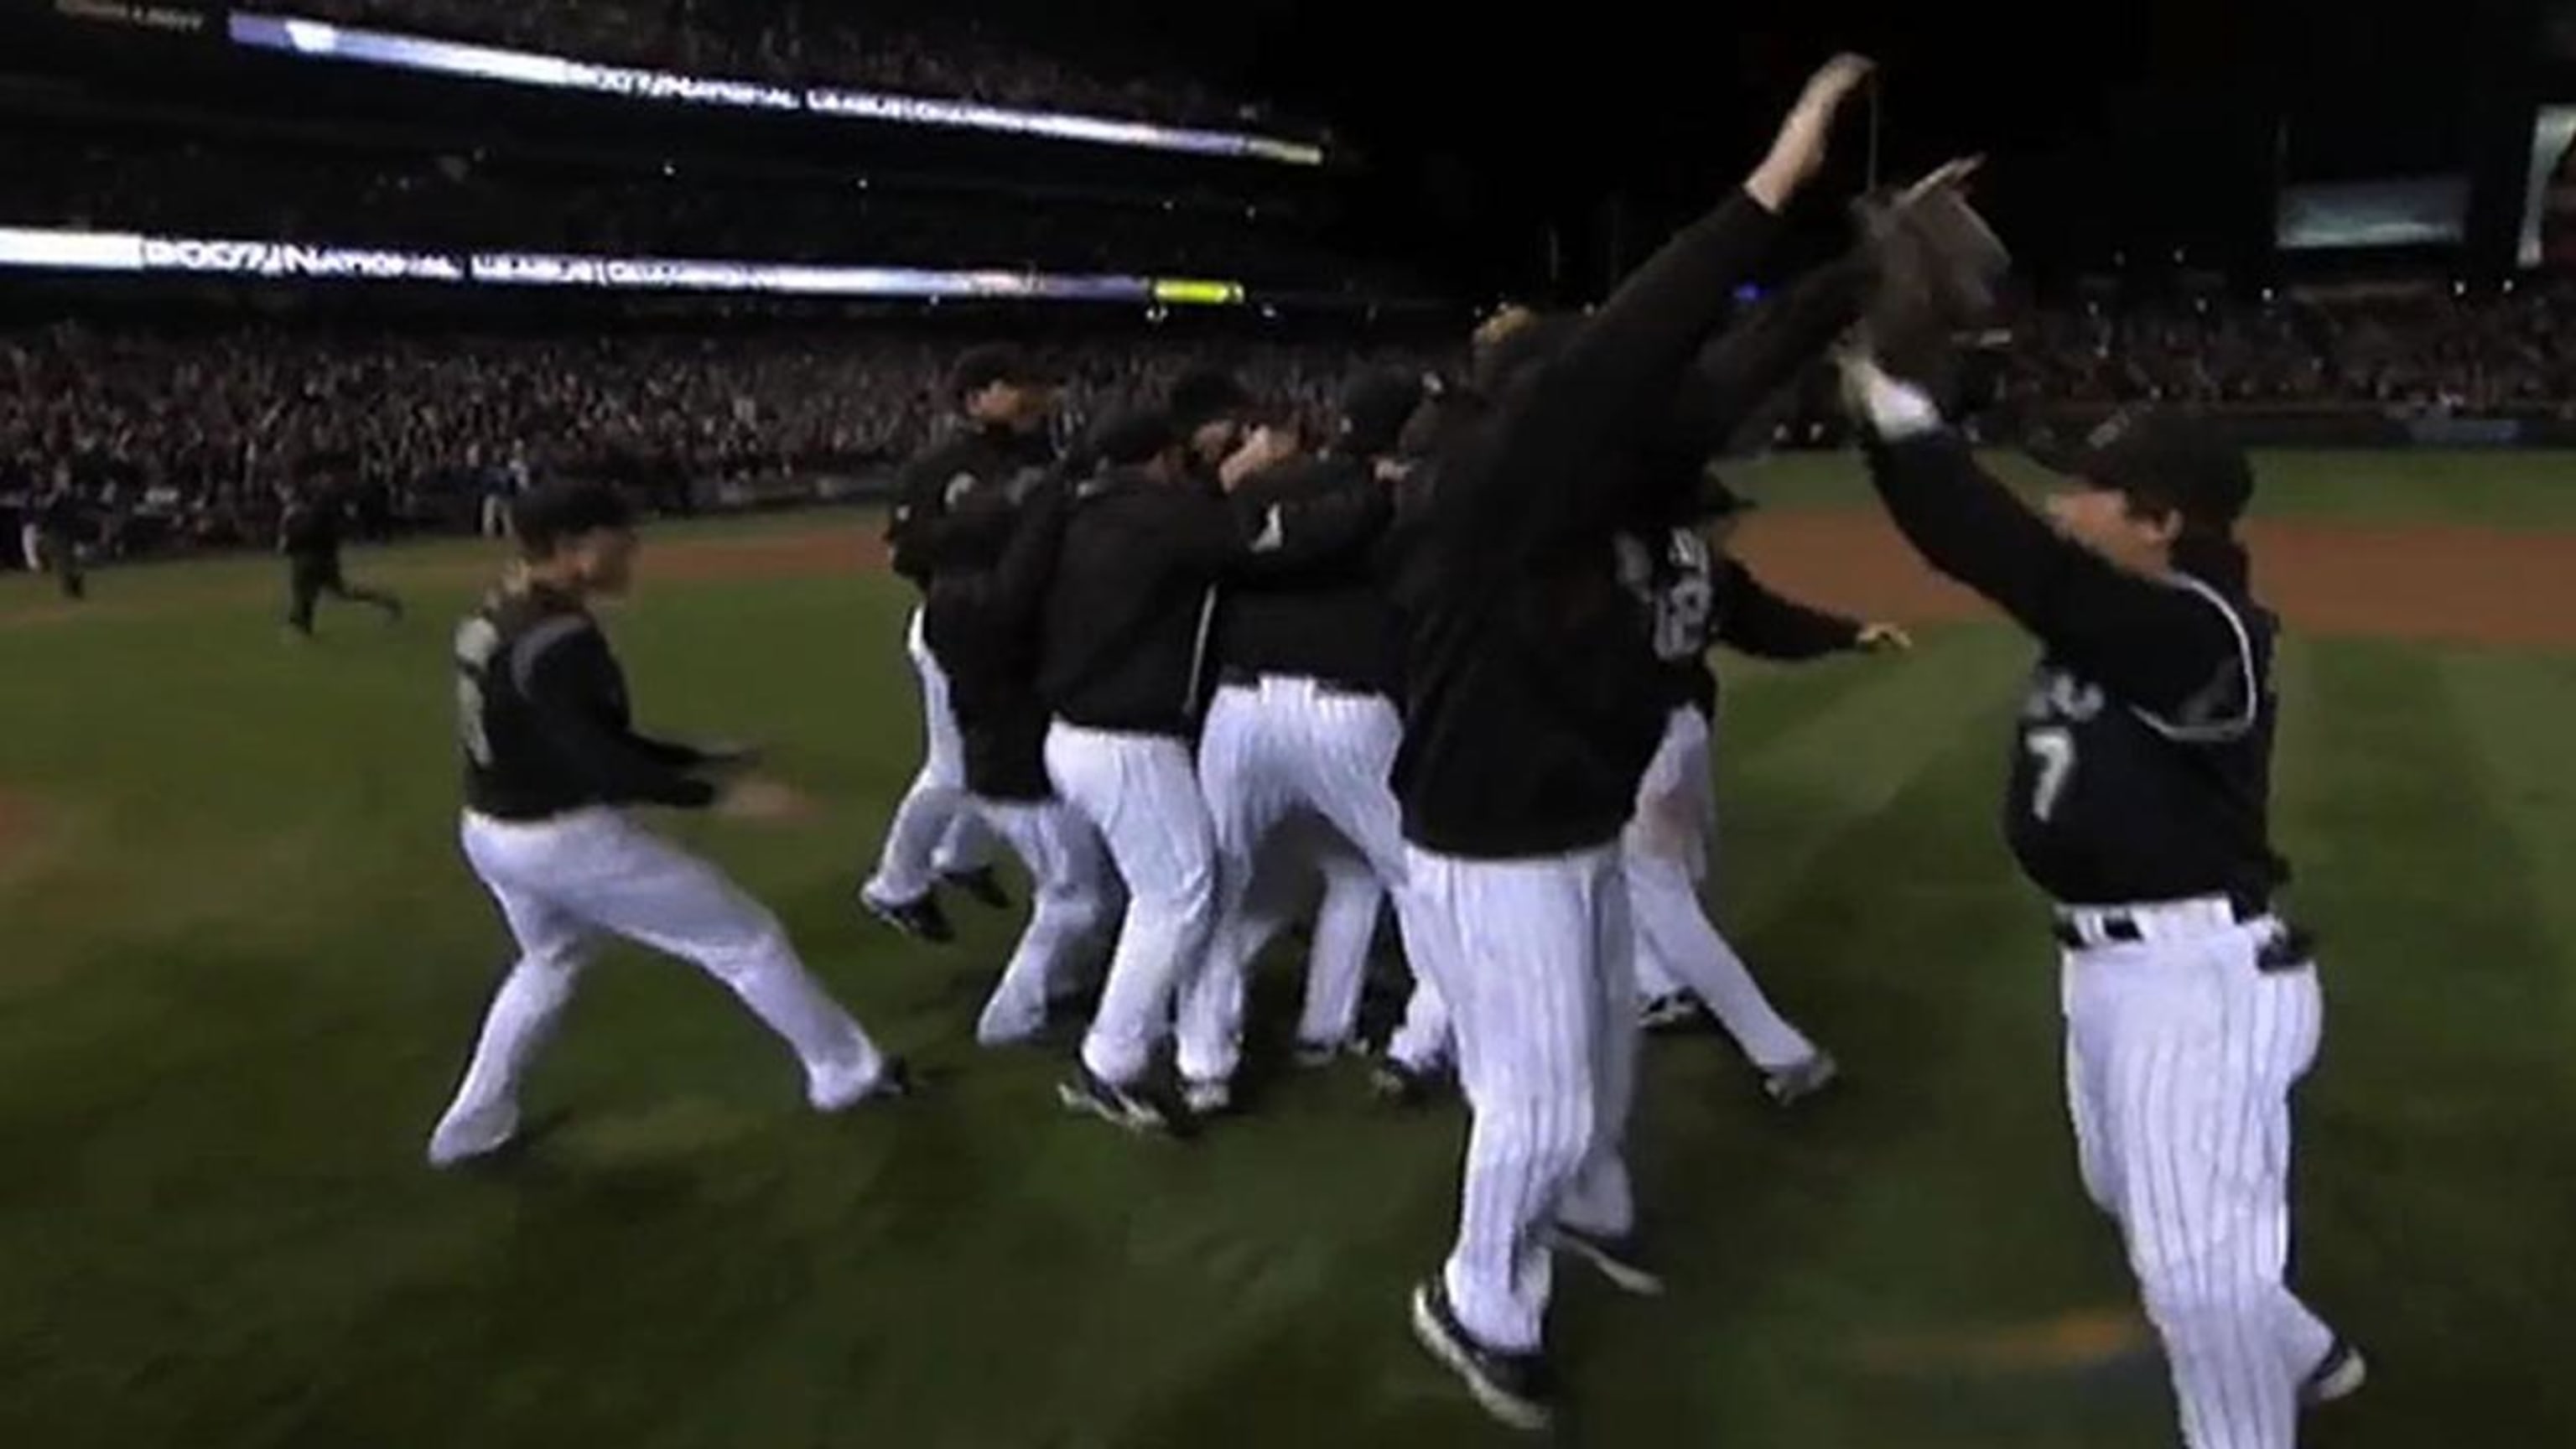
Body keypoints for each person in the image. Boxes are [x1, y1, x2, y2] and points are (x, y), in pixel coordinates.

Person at [1386, 55, 1874, 1431]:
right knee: (1536, 1102)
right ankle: (1477, 1298)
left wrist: (1852, 276)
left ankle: (1586, 1213)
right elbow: (1643, 350)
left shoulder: (1587, 479)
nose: (1653, 420)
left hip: (1568, 825)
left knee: (1600, 1064)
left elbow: (1713, 377)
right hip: (1494, 844)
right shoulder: (1486, 486)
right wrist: (1771, 187)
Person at [1836, 355, 2363, 1446]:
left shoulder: (2200, 632)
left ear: (2161, 521)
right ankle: (2308, 1354)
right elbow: (1985, 548)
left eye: (2088, 490)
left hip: (2197, 984)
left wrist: (1903, 408)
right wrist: (1880, 415)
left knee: (2194, 1277)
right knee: (2136, 1199)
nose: (2060, 505)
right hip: (2118, 973)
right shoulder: (2132, 608)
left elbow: (2008, 558)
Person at [428, 480, 905, 1168]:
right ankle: (847, 1076)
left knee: (552, 961)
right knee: (748, 940)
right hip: (564, 837)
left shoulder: (497, 611)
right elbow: (604, 765)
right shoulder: (562, 639)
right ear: (572, 549)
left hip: (493, 831)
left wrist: (698, 755)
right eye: (620, 543)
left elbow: (566, 737)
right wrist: (720, 796)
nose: (633, 555)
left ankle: (471, 1131)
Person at [1037, 408, 1388, 1134]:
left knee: (1198, 891)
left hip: (1078, 733)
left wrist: (1231, 478)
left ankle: (1190, 1056)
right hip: (1126, 741)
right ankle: (1110, 1062)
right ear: (1164, 460)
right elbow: (1267, 540)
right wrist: (1371, 489)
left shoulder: (1092, 510)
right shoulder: (1162, 520)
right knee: (1183, 896)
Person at [1175, 369, 1442, 1113]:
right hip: (1348, 712)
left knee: (1221, 888)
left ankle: (1206, 1065)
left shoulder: (1255, 490)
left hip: (1239, 710)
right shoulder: (1403, 499)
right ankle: (1423, 1044)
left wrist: (1234, 486)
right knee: (1427, 881)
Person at [1619, 475, 1908, 1104]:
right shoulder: (1709, 566)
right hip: (1681, 728)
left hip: (1636, 741)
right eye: (1724, 517)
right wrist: (1847, 635)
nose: (1733, 528)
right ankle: (1657, 986)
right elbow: (1767, 624)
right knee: (1676, 874)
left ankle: (1780, 1048)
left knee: (1664, 893)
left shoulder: (1623, 563)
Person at [916, 454, 1116, 1047]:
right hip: (1016, 773)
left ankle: (1060, 990)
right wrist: (1051, 499)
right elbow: (1020, 588)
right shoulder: (979, 602)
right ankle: (1012, 1017)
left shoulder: (948, 594)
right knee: (1074, 899)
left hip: (1000, 764)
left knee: (1085, 892)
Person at [860, 344, 1058, 943]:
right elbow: (903, 551)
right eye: (1011, 384)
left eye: (1029, 382)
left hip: (1015, 625)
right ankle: (894, 886)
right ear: (976, 398)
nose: (1028, 394)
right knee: (953, 769)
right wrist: (981, 526)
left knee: (1005, 754)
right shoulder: (939, 465)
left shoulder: (1038, 452)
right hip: (957, 627)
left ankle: (961, 859)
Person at [279, 480, 403, 638]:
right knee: (329, 591)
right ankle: (386, 600)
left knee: (305, 589)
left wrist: (290, 538)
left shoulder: (306, 514)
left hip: (314, 559)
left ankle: (301, 623)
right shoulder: (319, 512)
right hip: (323, 559)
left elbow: (299, 538)